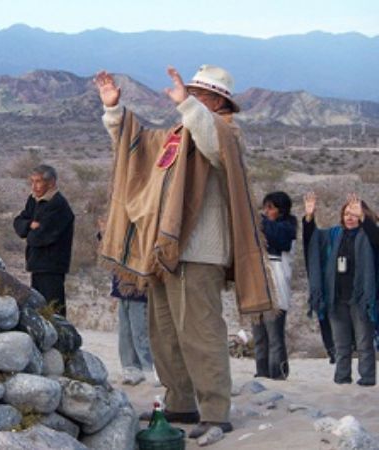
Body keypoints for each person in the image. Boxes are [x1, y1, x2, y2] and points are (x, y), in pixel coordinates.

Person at [95, 65, 275, 440]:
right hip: (165, 250)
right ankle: (180, 402)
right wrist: (114, 111)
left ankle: (215, 410)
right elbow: (137, 149)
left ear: (220, 102)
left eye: (201, 95)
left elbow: (212, 144)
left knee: (200, 331)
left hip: (200, 252)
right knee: (165, 332)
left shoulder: (226, 131)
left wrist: (188, 106)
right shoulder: (178, 135)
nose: (193, 99)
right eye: (192, 93)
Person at [303, 192, 378, 386]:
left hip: (361, 299)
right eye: (346, 214)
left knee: (364, 342)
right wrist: (309, 219)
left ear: (362, 214)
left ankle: (367, 378)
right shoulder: (334, 235)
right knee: (341, 344)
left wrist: (365, 219)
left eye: (354, 214)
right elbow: (313, 242)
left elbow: (376, 240)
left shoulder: (368, 235)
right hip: (336, 298)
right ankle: (342, 378)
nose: (349, 218)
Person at [13, 164, 74, 315]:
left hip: (52, 266)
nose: (34, 186)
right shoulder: (34, 200)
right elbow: (18, 223)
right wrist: (30, 225)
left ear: (51, 182)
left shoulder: (58, 205)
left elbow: (38, 237)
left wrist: (29, 230)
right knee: (39, 310)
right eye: (32, 182)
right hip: (37, 265)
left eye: (38, 181)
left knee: (53, 311)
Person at [253, 192, 297, 380]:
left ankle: (278, 373)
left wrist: (258, 219)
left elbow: (278, 237)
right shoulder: (264, 226)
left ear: (281, 210)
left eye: (271, 208)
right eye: (265, 207)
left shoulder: (288, 227)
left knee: (275, 337)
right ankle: (262, 372)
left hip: (277, 287)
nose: (266, 211)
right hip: (259, 285)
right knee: (259, 336)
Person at [112, 275, 154, 385]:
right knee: (125, 333)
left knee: (140, 331)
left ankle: (148, 369)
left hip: (141, 288)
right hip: (122, 286)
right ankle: (130, 368)